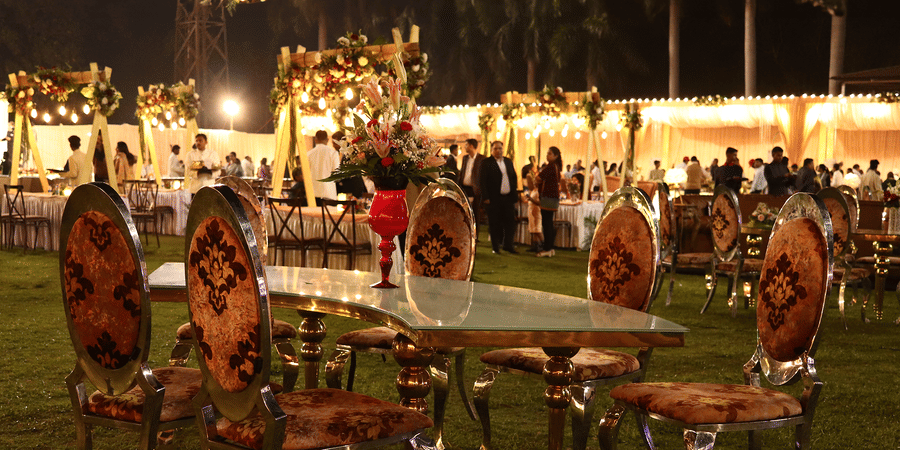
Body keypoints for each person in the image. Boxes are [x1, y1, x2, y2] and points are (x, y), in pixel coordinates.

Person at [479, 140, 518, 254]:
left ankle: (508, 245)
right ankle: (495, 247)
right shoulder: (486, 162)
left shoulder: (508, 161)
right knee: (494, 223)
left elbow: (513, 178)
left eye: (500, 148)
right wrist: (486, 197)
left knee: (510, 223)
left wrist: (514, 195)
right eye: (495, 148)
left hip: (508, 198)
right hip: (493, 199)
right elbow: (482, 181)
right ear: (491, 150)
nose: (498, 151)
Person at [535, 146, 562, 257]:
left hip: (548, 197)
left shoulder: (551, 166)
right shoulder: (556, 166)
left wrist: (536, 180)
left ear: (555, 156)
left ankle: (547, 248)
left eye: (550, 153)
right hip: (552, 197)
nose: (547, 155)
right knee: (548, 223)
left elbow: (539, 178)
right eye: (547, 153)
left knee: (546, 224)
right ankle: (550, 248)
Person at [307, 130, 340, 203]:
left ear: (315, 140)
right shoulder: (333, 153)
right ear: (327, 140)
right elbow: (337, 173)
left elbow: (306, 173)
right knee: (329, 214)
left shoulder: (308, 154)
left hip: (313, 192)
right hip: (328, 192)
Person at [332, 131, 365, 198]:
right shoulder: (341, 151)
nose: (333, 146)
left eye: (335, 143)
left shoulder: (351, 150)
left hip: (354, 187)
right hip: (347, 187)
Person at [459, 138, 485, 219]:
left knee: (475, 214)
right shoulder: (465, 158)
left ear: (471, 146)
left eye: (466, 145)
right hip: (464, 189)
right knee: (464, 213)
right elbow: (462, 172)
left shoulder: (482, 159)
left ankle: (475, 231)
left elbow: (483, 176)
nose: (464, 147)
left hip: (475, 190)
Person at [522, 174, 543, 252]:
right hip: (531, 210)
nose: (534, 183)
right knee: (533, 230)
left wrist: (531, 199)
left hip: (536, 211)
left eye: (536, 181)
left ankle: (544, 244)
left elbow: (540, 202)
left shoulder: (540, 191)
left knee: (537, 230)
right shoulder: (534, 190)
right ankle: (534, 246)